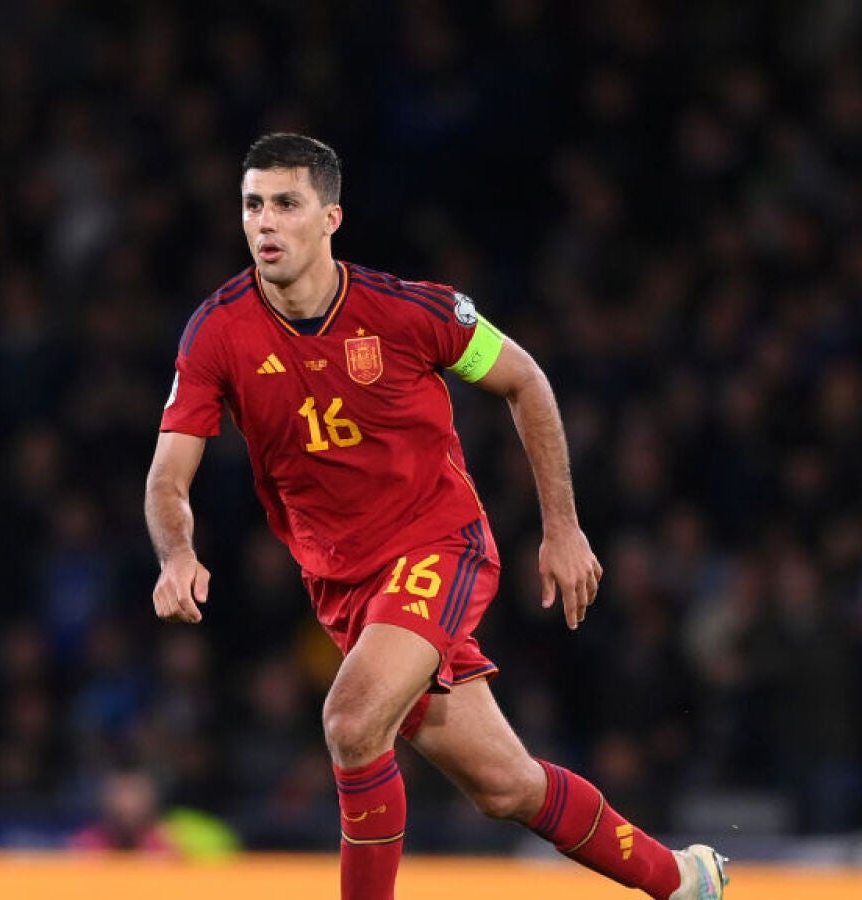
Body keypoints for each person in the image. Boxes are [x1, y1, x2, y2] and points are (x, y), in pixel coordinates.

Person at [145, 133, 729, 900]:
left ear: (330, 218)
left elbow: (525, 381)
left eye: (286, 203)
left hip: (438, 545)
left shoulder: (408, 311)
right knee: (505, 786)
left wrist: (562, 527)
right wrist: (176, 553)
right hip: (344, 584)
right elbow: (168, 475)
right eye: (253, 205)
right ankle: (683, 878)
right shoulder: (217, 331)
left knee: (352, 722)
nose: (266, 222)